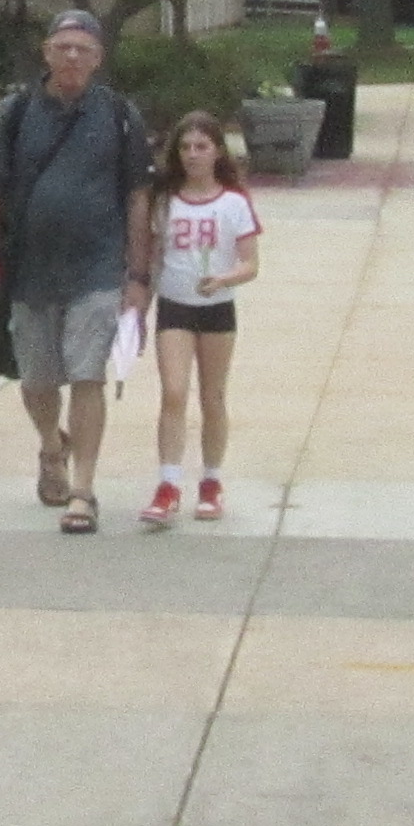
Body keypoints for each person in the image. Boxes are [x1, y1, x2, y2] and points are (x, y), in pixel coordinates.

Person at [0, 9, 156, 534]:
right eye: (63, 47)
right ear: (47, 52)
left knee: (87, 375)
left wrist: (138, 277)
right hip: (29, 271)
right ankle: (52, 445)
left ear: (98, 59)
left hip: (97, 270)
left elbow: (139, 199)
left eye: (84, 49)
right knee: (37, 380)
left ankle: (84, 491)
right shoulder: (15, 112)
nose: (73, 56)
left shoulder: (120, 115)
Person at [138, 110, 262, 529]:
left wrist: (224, 277)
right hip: (174, 306)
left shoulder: (233, 203)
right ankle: (168, 483)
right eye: (186, 147)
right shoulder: (165, 201)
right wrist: (138, 303)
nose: (192, 155)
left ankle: (211, 480)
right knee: (173, 392)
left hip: (217, 309)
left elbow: (250, 263)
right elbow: (152, 255)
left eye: (201, 147)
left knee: (213, 396)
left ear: (217, 152)